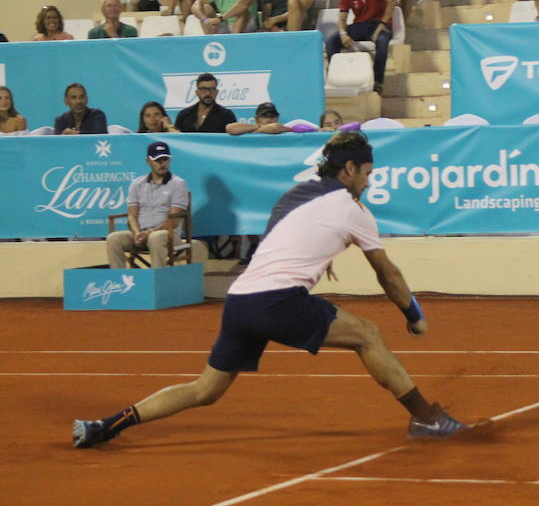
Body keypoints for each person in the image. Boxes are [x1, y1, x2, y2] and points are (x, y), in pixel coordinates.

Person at [73, 131, 467, 449]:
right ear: (349, 169)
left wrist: (320, 258)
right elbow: (388, 275)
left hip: (240, 301)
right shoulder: (352, 208)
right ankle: (426, 418)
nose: (367, 181)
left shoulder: (294, 196)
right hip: (277, 301)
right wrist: (413, 315)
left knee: (206, 389)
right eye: (366, 173)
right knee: (368, 334)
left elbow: (284, 237)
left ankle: (105, 426)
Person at [105, 141, 192, 269]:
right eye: (158, 160)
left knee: (155, 238)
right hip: (141, 233)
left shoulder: (178, 183)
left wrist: (149, 233)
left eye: (165, 159)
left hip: (168, 234)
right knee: (113, 239)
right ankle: (120, 281)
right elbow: (131, 216)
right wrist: (136, 233)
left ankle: (158, 281)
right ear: (148, 161)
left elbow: (174, 221)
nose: (163, 164)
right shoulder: (137, 183)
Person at [327, 0, 395, 95]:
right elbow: (342, 18)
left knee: (382, 42)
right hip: (359, 25)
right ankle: (337, 77)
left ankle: (378, 81)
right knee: (332, 40)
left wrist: (383, 24)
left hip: (378, 24)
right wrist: (343, 33)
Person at [226, 102, 291, 134]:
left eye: (273, 116)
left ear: (277, 118)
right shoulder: (248, 129)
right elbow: (230, 128)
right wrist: (259, 127)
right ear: (257, 119)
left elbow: (275, 127)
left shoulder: (282, 129)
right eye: (265, 116)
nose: (269, 119)